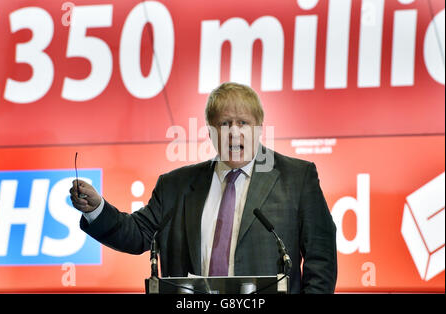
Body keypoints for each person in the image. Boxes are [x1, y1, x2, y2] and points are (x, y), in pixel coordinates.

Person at [70, 82, 337, 293]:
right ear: (210, 131)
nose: (234, 132)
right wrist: (97, 210)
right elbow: (137, 234)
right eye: (224, 123)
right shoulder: (175, 186)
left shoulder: (297, 178)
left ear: (258, 129)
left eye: (243, 122)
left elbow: (321, 260)